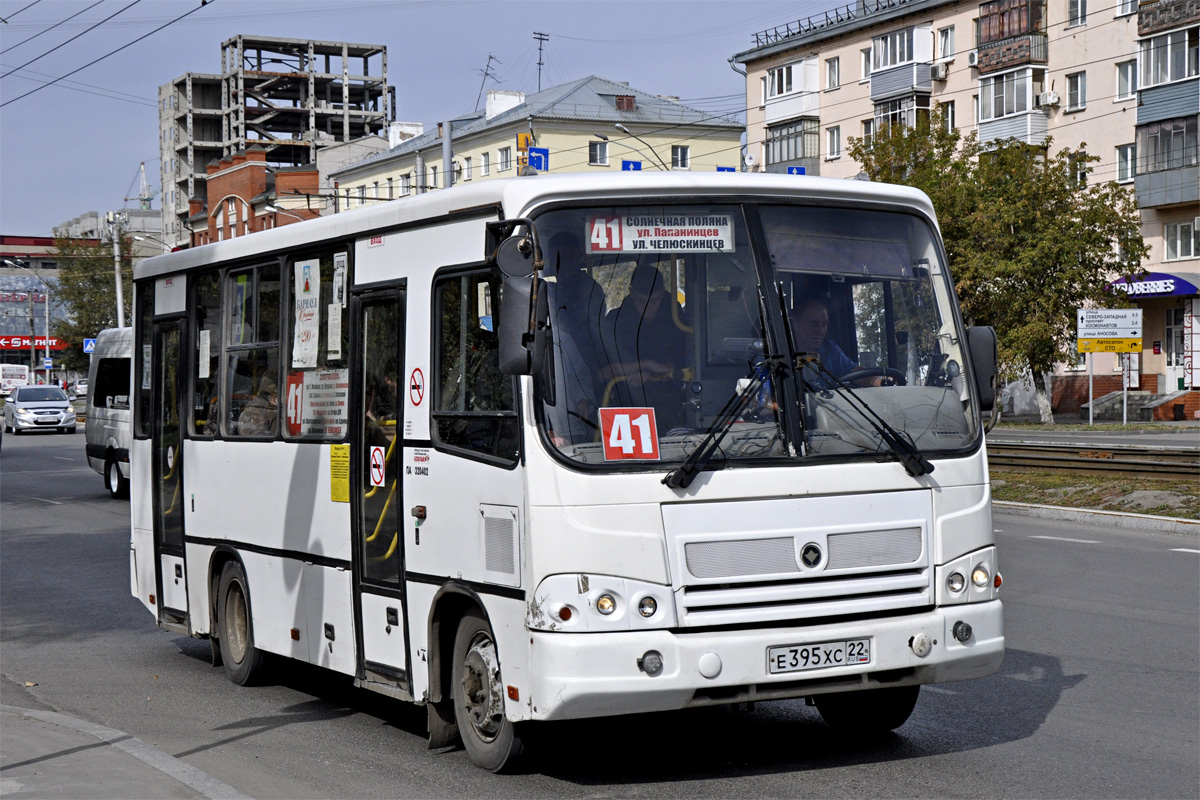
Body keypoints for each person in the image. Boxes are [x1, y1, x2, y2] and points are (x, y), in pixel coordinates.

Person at [601, 262, 689, 429]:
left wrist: (651, 374)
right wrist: (647, 365)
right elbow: (602, 372)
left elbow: (687, 363)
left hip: (671, 402)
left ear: (663, 294)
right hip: (626, 404)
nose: (648, 307)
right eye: (641, 301)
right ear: (631, 293)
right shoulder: (615, 322)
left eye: (654, 300)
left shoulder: (678, 321)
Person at [790, 298, 882, 387]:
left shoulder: (830, 350)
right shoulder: (783, 352)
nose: (821, 330)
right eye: (814, 324)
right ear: (794, 323)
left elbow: (854, 372)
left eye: (824, 324)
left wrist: (877, 381)